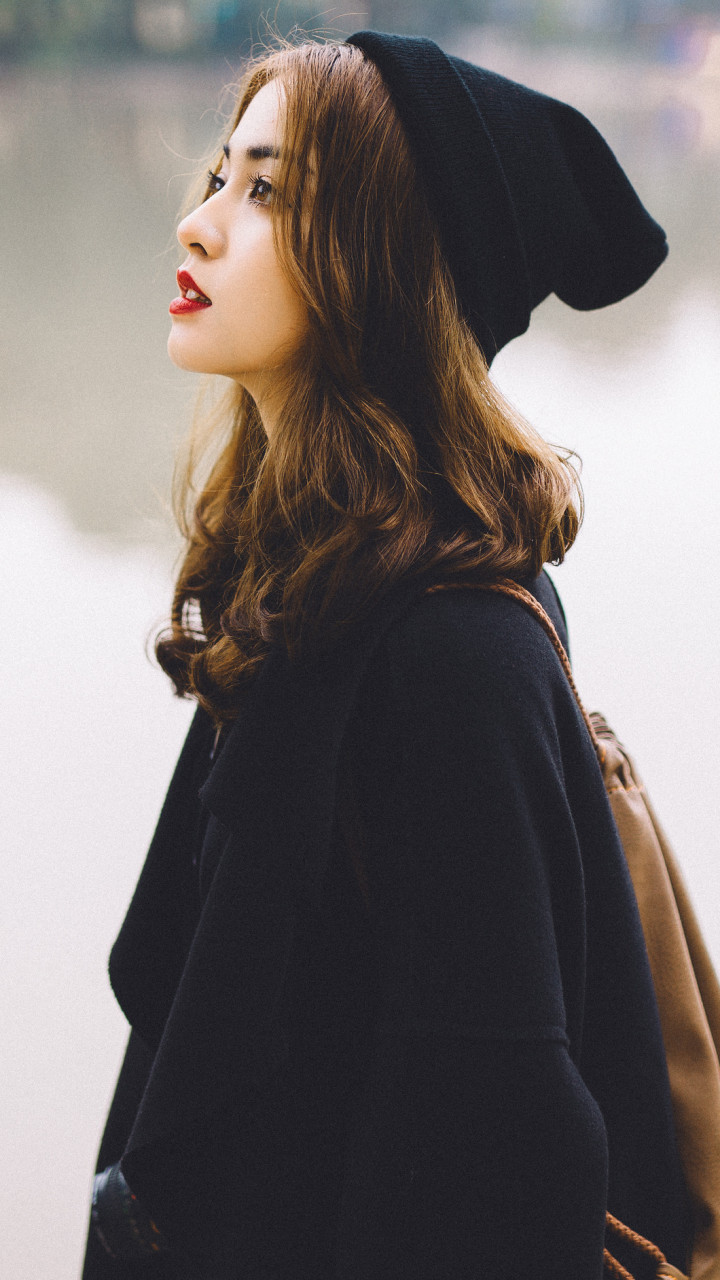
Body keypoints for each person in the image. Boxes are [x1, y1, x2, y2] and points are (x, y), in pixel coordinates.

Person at [82, 30, 691, 1280]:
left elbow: (498, 1172)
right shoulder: (305, 593)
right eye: (218, 177)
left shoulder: (450, 656)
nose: (199, 225)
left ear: (380, 263)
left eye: (269, 192)